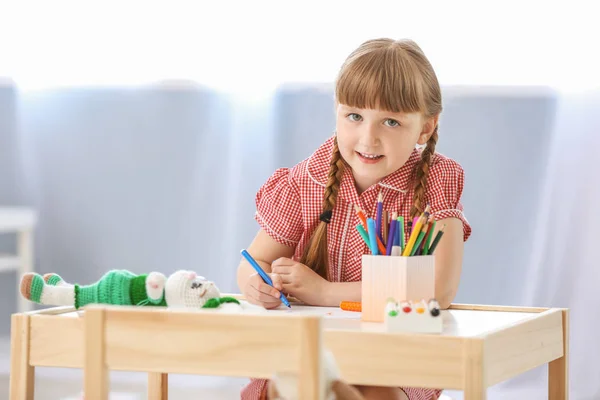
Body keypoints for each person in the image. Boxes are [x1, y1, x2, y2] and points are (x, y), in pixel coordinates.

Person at [237, 38, 472, 400]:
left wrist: (325, 292)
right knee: (295, 383)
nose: (368, 138)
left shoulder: (436, 180)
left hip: (398, 356)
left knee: (377, 392)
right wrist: (257, 283)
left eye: (391, 121)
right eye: (355, 116)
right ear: (337, 111)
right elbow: (255, 261)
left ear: (425, 127)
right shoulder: (308, 177)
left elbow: (437, 292)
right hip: (314, 345)